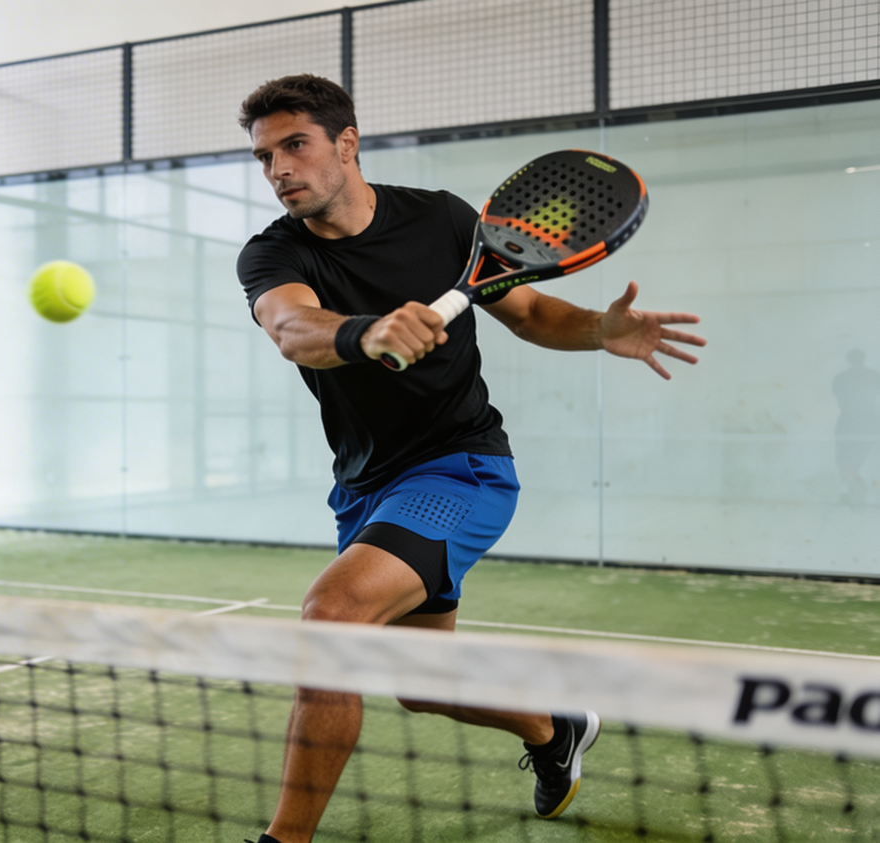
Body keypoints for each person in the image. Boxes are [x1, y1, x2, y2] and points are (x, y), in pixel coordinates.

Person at [233, 75, 706, 843]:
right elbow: (293, 328)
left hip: (463, 467)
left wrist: (598, 329)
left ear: (347, 143)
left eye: (295, 145)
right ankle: (554, 728)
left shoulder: (444, 219)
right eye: (264, 157)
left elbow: (531, 309)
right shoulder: (272, 253)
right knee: (419, 682)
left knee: (333, 616)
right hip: (367, 485)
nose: (279, 168)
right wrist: (366, 333)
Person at [834, 348, 880, 505]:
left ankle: (861, 494)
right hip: (851, 422)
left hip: (866, 421)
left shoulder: (873, 376)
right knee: (847, 457)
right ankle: (853, 493)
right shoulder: (841, 378)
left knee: (866, 457)